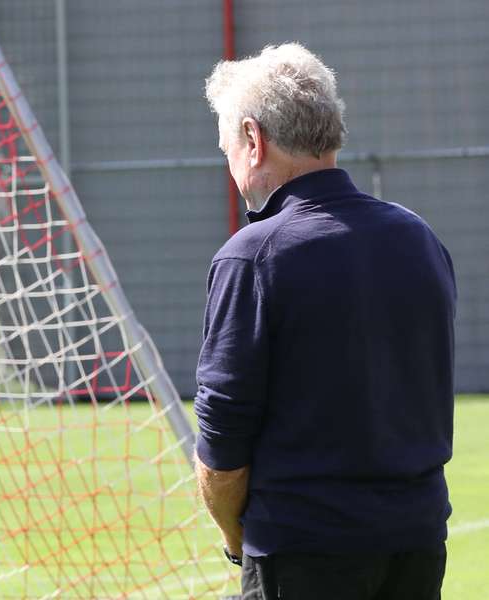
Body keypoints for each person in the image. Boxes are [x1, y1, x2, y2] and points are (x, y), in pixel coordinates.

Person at [193, 43, 455, 599]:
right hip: (418, 541)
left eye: (227, 151)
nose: (233, 169)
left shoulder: (253, 256)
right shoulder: (419, 238)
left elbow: (222, 441)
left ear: (252, 139)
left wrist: (234, 537)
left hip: (302, 549)